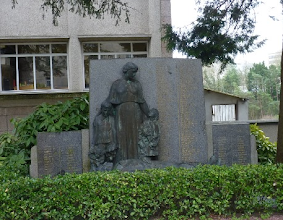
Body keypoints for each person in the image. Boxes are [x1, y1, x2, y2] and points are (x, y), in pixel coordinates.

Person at [107, 62, 149, 162]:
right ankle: (122, 160)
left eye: (135, 72)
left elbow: (142, 101)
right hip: (121, 111)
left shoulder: (137, 84)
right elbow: (110, 100)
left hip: (135, 111)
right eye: (132, 72)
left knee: (136, 135)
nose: (134, 74)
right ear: (126, 71)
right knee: (121, 135)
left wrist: (148, 113)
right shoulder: (116, 84)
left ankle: (136, 159)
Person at [89, 100, 117, 171]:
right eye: (104, 110)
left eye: (107, 110)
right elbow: (95, 132)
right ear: (101, 109)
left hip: (110, 141)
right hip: (100, 141)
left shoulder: (112, 119)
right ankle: (98, 169)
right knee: (100, 157)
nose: (106, 112)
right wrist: (93, 144)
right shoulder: (97, 119)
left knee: (110, 158)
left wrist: (114, 142)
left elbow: (113, 130)